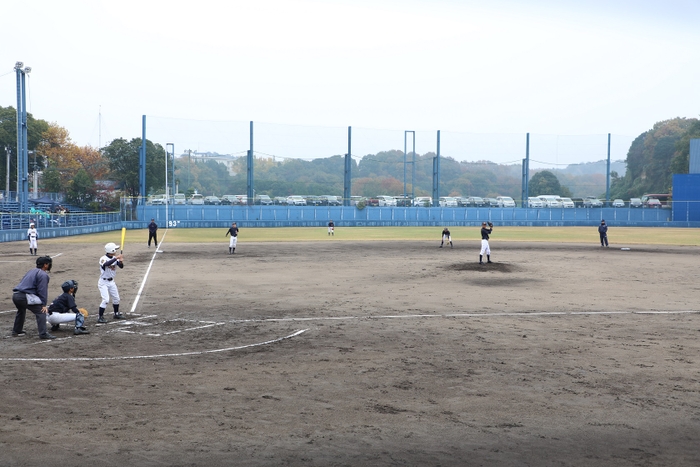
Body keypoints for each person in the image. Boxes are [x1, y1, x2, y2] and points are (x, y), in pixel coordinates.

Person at [11, 256, 55, 339]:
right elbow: (42, 290)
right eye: (48, 264)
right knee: (41, 312)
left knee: (21, 310)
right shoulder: (43, 274)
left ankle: (16, 330)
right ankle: (43, 334)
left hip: (16, 295)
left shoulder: (31, 271)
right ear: (45, 265)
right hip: (24, 297)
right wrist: (43, 304)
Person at [97, 242, 125, 323]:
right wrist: (116, 258)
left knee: (116, 298)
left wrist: (121, 261)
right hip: (103, 282)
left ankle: (116, 314)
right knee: (106, 300)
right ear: (111, 250)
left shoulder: (114, 258)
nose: (116, 251)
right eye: (115, 249)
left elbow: (121, 267)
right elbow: (106, 264)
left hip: (111, 281)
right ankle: (100, 317)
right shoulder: (103, 258)